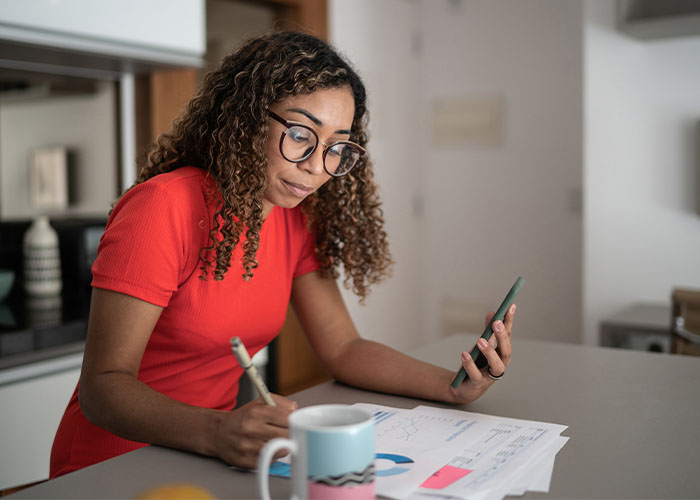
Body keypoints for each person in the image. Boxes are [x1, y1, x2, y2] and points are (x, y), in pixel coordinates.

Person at [49, 31, 516, 478]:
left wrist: (453, 386)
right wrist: (217, 431)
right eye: (299, 133)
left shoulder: (292, 215)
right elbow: (103, 386)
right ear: (249, 117)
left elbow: (344, 349)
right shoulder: (164, 206)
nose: (316, 166)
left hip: (202, 455)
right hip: (109, 466)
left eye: (336, 146)